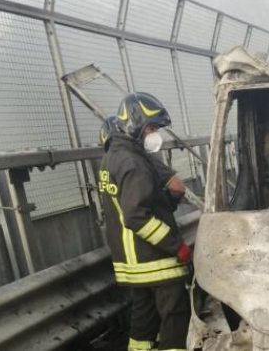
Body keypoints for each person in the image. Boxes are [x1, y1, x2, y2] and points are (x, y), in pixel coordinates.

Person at [98, 93, 191, 351]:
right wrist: (176, 246)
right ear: (135, 125)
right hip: (155, 259)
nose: (155, 134)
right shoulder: (133, 162)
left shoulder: (111, 158)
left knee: (143, 322)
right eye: (152, 128)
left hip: (134, 263)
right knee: (175, 320)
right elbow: (136, 215)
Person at [100, 115, 186, 208]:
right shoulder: (137, 160)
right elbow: (177, 187)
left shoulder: (105, 163)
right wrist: (168, 203)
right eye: (152, 129)